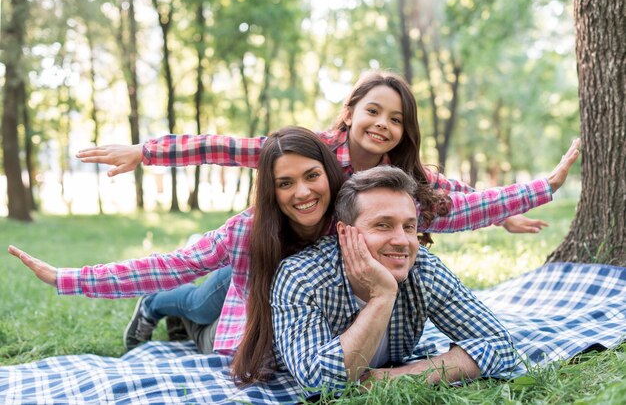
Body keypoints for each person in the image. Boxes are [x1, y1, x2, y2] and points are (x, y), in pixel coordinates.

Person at [7, 126, 579, 384]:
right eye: (286, 184)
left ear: (333, 177)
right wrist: (69, 277)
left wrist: (532, 193)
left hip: (307, 315)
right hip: (244, 304)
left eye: (313, 178)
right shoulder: (250, 230)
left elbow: (442, 207)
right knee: (190, 292)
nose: (302, 192)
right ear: (271, 189)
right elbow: (221, 152)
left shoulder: (361, 213)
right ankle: (158, 308)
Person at [75, 70, 564, 350]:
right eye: (373, 110)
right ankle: (155, 305)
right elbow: (227, 146)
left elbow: (454, 196)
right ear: (351, 110)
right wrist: (149, 152)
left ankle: (181, 316)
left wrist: (501, 213)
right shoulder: (316, 153)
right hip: (275, 253)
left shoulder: (404, 177)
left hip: (314, 277)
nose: (382, 124)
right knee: (206, 298)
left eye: (396, 119)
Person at [272, 165, 515, 390]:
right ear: (345, 233)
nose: (402, 241)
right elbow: (318, 382)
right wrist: (382, 296)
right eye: (383, 225)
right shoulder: (301, 276)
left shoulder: (422, 268)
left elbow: (499, 344)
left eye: (409, 227)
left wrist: (398, 377)